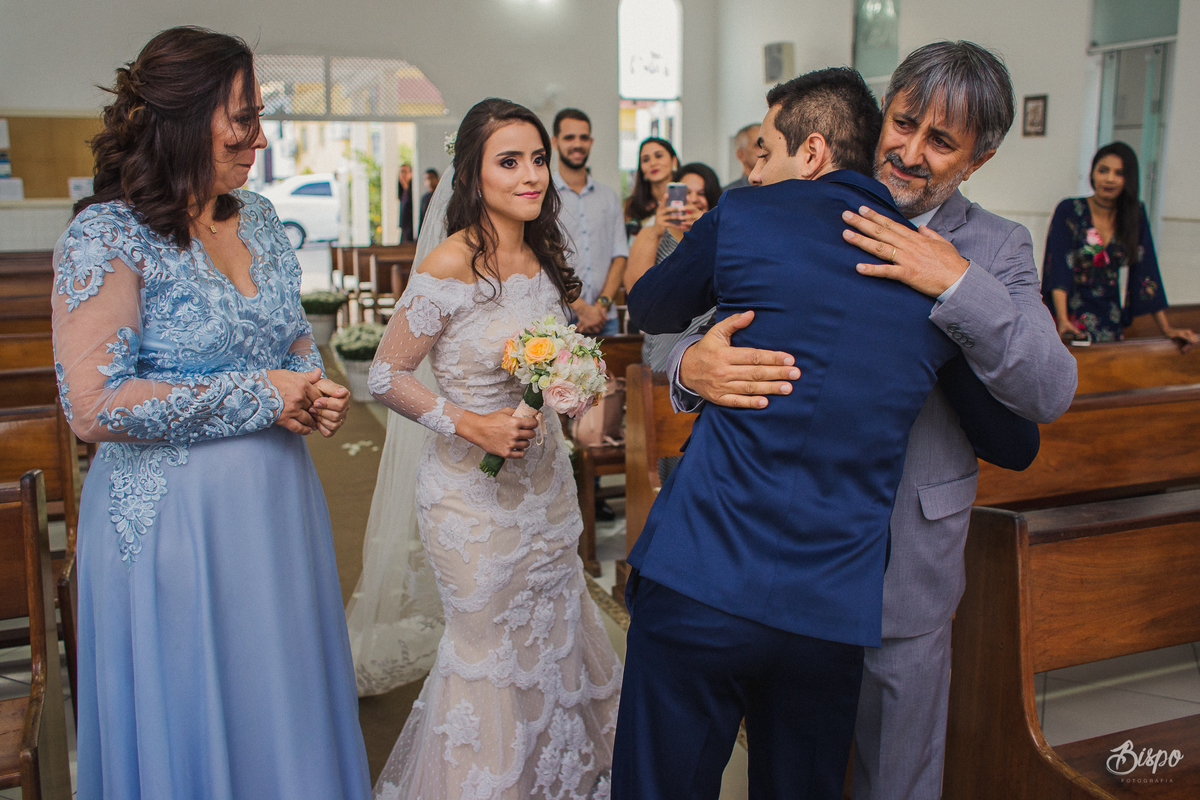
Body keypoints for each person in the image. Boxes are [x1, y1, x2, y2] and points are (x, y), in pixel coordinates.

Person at [664, 41, 1077, 800]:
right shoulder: (797, 201)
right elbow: (675, 319)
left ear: (976, 161)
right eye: (904, 122)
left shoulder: (997, 248)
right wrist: (691, 366)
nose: (911, 152)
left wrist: (955, 282)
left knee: (897, 777)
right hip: (769, 552)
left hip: (902, 564)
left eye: (941, 141)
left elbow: (1049, 391)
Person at [51, 26, 370, 799]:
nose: (259, 138)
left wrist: (307, 381)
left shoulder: (256, 216)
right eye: (242, 118)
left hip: (275, 509)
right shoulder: (108, 233)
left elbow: (290, 333)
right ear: (181, 117)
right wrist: (266, 393)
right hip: (175, 526)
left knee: (279, 698)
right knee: (197, 707)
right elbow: (92, 405)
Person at [367, 98, 622, 800]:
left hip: (544, 489)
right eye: (509, 161)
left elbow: (558, 358)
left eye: (537, 159)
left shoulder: (540, 256)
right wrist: (469, 424)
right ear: (474, 177)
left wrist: (583, 395)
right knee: (490, 655)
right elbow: (386, 375)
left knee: (556, 630)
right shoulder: (452, 262)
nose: (531, 174)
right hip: (471, 502)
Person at [1042, 141, 1197, 348]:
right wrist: (1062, 321)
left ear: (1128, 179)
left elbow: (1146, 272)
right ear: (1093, 173)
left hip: (1111, 320)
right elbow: (1059, 270)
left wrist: (1166, 329)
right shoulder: (1069, 210)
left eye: (1119, 173)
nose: (1109, 179)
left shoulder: (1134, 215)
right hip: (1071, 321)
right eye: (1103, 170)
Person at [624, 161, 722, 371]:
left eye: (702, 193)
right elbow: (636, 292)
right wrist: (657, 230)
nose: (693, 199)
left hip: (708, 349)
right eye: (686, 192)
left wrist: (705, 227)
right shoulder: (652, 234)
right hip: (661, 343)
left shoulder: (720, 238)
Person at [552, 107, 628, 336]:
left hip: (605, 319)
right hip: (559, 320)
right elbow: (543, 259)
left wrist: (600, 306)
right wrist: (581, 308)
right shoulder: (544, 197)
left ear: (591, 141)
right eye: (569, 137)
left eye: (583, 137)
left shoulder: (608, 196)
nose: (578, 144)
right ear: (555, 142)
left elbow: (620, 255)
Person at [623, 136, 679, 238]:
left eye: (659, 156)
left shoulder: (690, 198)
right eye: (645, 160)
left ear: (674, 161)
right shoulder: (631, 206)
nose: (653, 163)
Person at [722, 122, 761, 192]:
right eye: (758, 145)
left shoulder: (782, 190)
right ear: (741, 154)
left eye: (767, 145)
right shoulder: (729, 195)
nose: (765, 150)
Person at [418, 167, 439, 233]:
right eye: (427, 179)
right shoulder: (425, 198)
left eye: (432, 178)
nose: (429, 181)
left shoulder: (440, 196)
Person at [399, 162, 415, 242]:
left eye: (405, 172)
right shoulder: (403, 194)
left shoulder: (413, 194)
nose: (402, 175)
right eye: (401, 172)